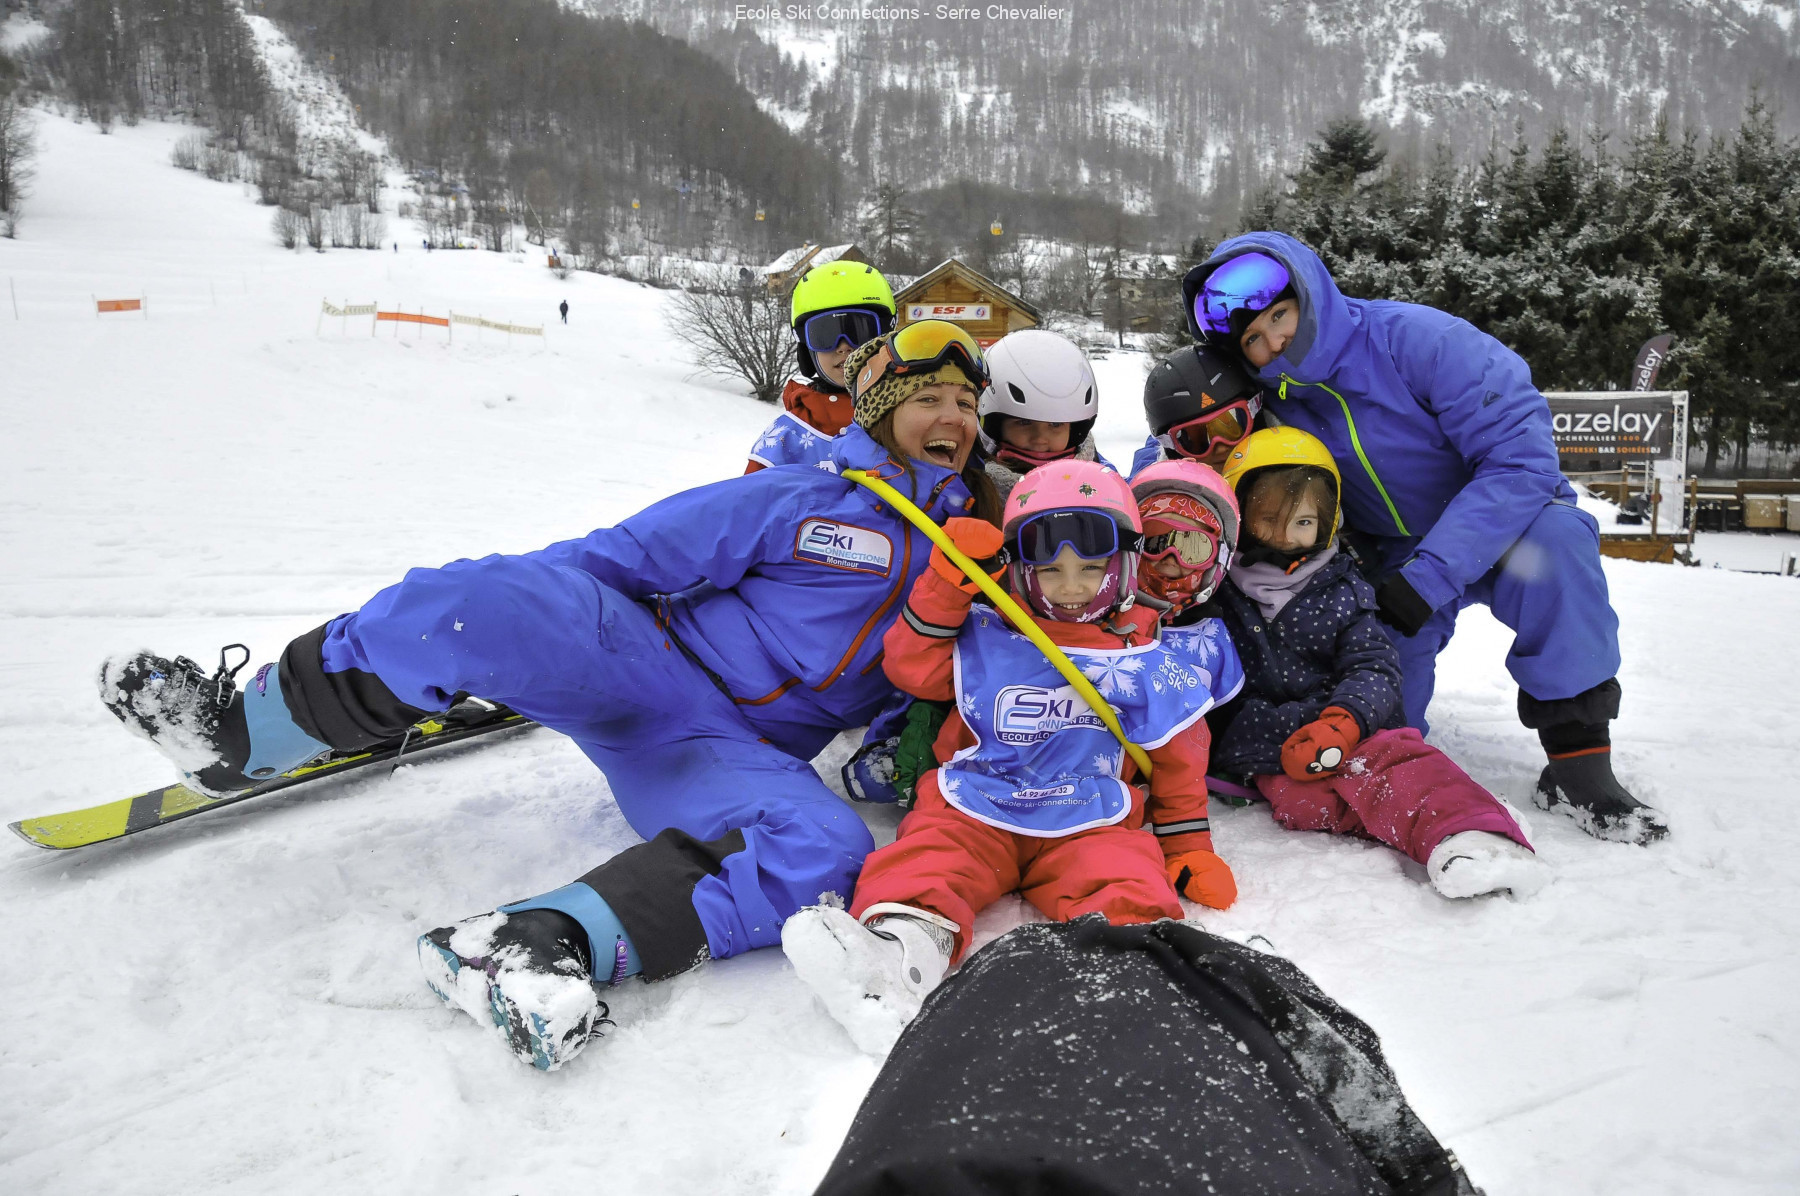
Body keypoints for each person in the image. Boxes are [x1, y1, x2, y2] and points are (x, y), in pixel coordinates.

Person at [97, 319, 1002, 1072]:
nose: (953, 418)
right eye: (930, 397)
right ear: (882, 410)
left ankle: (530, 946)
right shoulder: (801, 500)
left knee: (824, 852)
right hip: (643, 655)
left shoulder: (968, 567)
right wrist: (525, 630)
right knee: (474, 603)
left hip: (715, 751)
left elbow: (934, 690)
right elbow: (624, 557)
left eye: (967, 405)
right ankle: (240, 735)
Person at [1183, 232, 1665, 844]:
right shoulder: (1269, 396)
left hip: (1504, 529)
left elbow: (1520, 456)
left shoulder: (1417, 340)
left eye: (1280, 317)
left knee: (1560, 549)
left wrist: (1431, 575)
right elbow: (1191, 438)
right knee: (1381, 696)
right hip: (1387, 555)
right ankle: (1375, 770)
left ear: (1309, 292)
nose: (1274, 343)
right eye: (1254, 339)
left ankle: (1580, 763)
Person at [781, 460, 1241, 1052]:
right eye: (1050, 570)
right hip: (977, 803)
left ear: (1124, 564)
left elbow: (1179, 756)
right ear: (1022, 570)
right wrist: (946, 586)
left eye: (1091, 569)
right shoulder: (987, 630)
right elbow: (913, 669)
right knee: (927, 860)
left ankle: (1131, 981)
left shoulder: (1145, 652)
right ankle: (898, 957)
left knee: (1125, 876)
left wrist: (1188, 847)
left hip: (1089, 814)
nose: (1071, 587)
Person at [1135, 431, 1550, 901]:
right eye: (1268, 519)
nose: (1286, 535)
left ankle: (1474, 833)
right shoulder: (1217, 591)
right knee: (1302, 802)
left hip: (1347, 730)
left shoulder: (1343, 589)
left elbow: (1374, 666)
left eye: (1303, 521)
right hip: (1268, 749)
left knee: (1389, 766)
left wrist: (1343, 720)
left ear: (1329, 520)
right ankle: (1434, 815)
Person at [744, 261, 895, 473]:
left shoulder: (912, 416)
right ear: (806, 349)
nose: (844, 347)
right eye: (824, 334)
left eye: (859, 331)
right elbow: (755, 492)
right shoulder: (786, 439)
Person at [974, 328, 1110, 500]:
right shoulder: (969, 490)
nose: (1040, 439)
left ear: (1076, 430)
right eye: (1024, 422)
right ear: (993, 427)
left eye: (1055, 425)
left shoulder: (1103, 483)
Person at [1128, 341, 1269, 477]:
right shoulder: (1153, 489)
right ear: (1174, 452)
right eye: (1197, 442)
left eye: (1232, 427)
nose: (1221, 448)